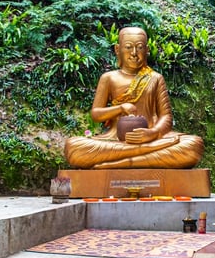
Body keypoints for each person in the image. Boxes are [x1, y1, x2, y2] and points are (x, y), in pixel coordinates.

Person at [64, 26, 204, 169]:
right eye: (128, 47)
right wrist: (120, 108)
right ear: (117, 50)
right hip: (116, 140)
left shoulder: (155, 78)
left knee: (194, 145)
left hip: (151, 139)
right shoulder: (109, 78)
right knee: (74, 147)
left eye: (140, 47)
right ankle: (142, 155)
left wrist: (153, 133)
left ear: (147, 50)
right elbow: (96, 114)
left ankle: (125, 162)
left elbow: (166, 117)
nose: (134, 53)